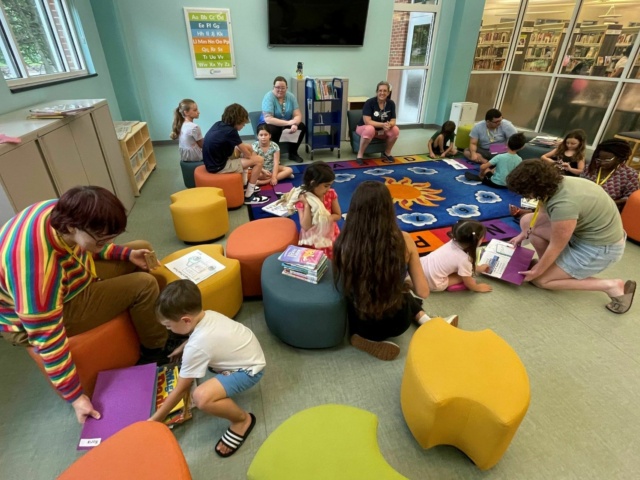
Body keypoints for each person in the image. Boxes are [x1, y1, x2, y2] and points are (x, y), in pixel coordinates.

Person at [0, 186, 169, 424]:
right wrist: (76, 396)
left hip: (69, 278)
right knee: (144, 284)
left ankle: (153, 320)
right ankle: (156, 352)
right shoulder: (37, 271)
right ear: (71, 227)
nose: (107, 243)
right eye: (102, 241)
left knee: (140, 246)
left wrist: (124, 254)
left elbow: (87, 245)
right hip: (30, 319)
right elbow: (46, 338)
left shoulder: (62, 212)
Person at [333, 181, 458, 361]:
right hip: (398, 321)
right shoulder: (405, 240)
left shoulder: (342, 243)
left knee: (354, 296)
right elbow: (423, 291)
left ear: (353, 210)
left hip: (363, 322)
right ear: (388, 208)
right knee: (401, 290)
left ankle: (358, 338)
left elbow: (343, 283)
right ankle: (428, 322)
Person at [149, 280, 265, 458]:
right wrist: (183, 348)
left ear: (185, 320)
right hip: (249, 353)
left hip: (249, 372)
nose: (168, 329)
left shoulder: (197, 346)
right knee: (201, 369)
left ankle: (241, 420)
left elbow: (181, 389)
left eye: (168, 326)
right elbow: (200, 336)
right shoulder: (207, 314)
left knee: (201, 397)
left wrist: (153, 421)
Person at [507, 160, 635, 314]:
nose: (525, 196)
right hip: (584, 234)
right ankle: (552, 267)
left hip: (601, 248)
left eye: (525, 192)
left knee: (541, 280)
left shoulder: (564, 204)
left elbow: (556, 245)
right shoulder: (555, 184)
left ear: (535, 188)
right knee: (527, 222)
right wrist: (523, 234)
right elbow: (540, 212)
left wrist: (537, 272)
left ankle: (611, 285)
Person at [202, 103, 269, 205]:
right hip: (219, 167)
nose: (242, 126)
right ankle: (249, 196)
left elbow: (243, 148)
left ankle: (245, 184)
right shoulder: (231, 131)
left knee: (248, 147)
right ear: (237, 120)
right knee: (259, 160)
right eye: (242, 124)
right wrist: (261, 168)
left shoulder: (219, 124)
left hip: (212, 161)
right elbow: (248, 155)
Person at [420, 220, 492, 293]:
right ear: (475, 241)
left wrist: (479, 268)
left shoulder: (452, 241)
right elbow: (467, 280)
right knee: (465, 276)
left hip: (417, 271)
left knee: (461, 269)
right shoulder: (464, 259)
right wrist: (477, 288)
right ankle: (453, 285)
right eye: (482, 238)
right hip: (432, 283)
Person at [295, 161, 341, 259]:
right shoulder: (303, 199)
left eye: (330, 185)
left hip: (329, 234)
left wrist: (325, 219)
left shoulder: (331, 194)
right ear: (313, 183)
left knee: (333, 259)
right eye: (326, 186)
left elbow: (337, 215)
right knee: (315, 261)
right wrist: (306, 205)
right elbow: (306, 226)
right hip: (313, 239)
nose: (328, 189)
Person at [581, 138, 638, 211]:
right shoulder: (590, 168)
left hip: (608, 211)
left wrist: (609, 203)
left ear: (619, 158)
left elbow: (630, 197)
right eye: (599, 159)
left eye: (607, 160)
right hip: (584, 206)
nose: (602, 162)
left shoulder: (629, 174)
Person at [259, 76, 307, 163]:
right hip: (270, 123)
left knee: (302, 126)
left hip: (287, 121)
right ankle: (274, 155)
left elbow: (298, 114)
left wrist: (295, 124)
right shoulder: (269, 97)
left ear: (286, 88)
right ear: (273, 87)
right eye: (277, 87)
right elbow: (268, 119)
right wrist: (289, 122)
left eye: (283, 88)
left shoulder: (291, 96)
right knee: (273, 130)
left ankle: (293, 153)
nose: (280, 90)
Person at [355, 81, 400, 165]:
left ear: (388, 92)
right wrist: (383, 125)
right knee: (370, 129)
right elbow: (367, 121)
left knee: (395, 130)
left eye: (385, 91)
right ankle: (360, 155)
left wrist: (389, 124)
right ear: (377, 92)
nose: (382, 93)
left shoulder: (391, 103)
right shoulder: (370, 102)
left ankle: (387, 153)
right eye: (380, 90)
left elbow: (393, 120)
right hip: (364, 128)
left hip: (381, 130)